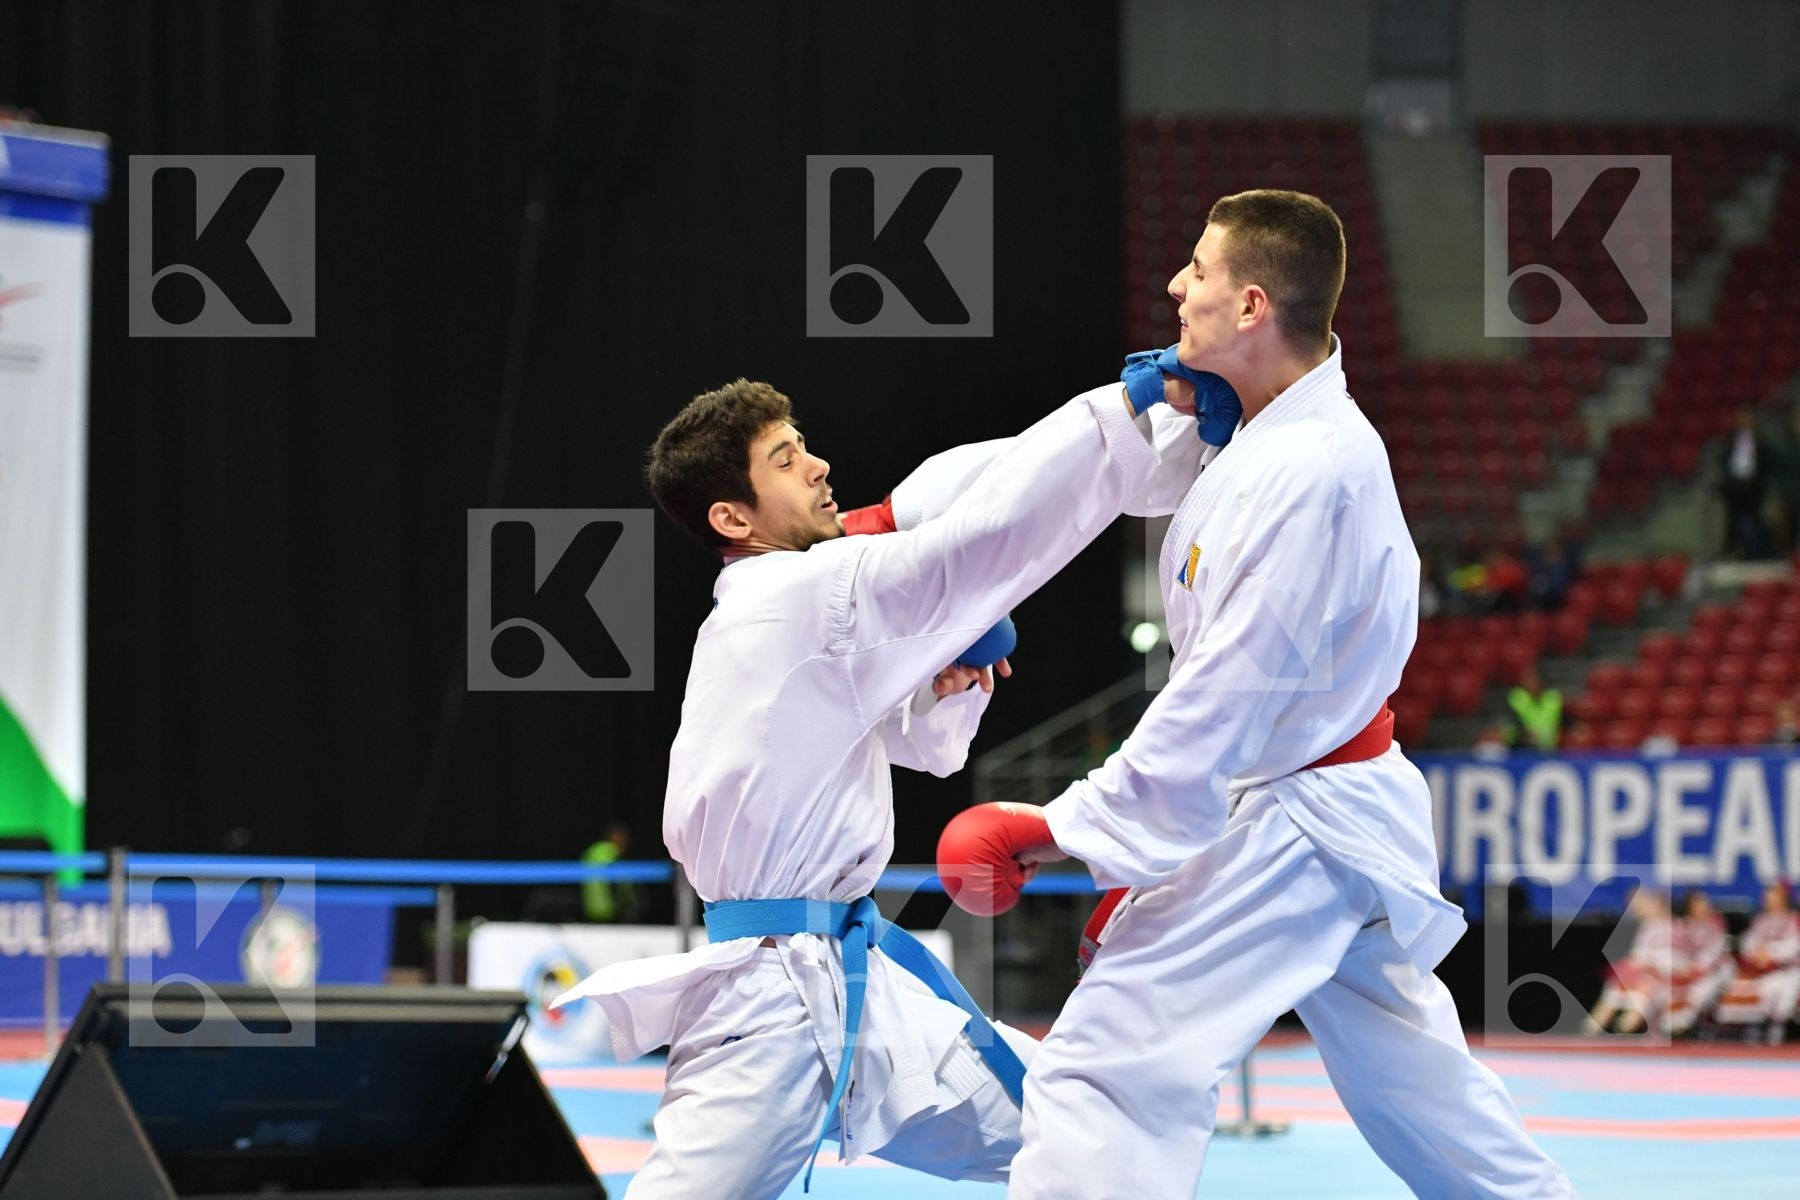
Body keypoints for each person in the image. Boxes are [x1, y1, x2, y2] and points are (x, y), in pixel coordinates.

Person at [938, 190, 1576, 1198]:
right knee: (1429, 1107)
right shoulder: (1265, 440)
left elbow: (1224, 698)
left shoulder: (1309, 469)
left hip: (1294, 813)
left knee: (1109, 1071)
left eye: (1197, 269)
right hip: (1324, 803)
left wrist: (1058, 824)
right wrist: (1189, 418)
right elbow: (1093, 479)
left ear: (1249, 307)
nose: (1174, 287)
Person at [551, 362, 1231, 1197]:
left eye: (806, 448)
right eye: (785, 459)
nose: (818, 467)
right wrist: (1128, 407)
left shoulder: (783, 607)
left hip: (856, 990)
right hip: (767, 1005)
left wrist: (941, 690)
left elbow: (926, 751)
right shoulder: (799, 593)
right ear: (733, 515)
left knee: (1092, 1127)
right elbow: (984, 538)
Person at [1713, 881, 1800, 1044]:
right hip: (1760, 969)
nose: (1769, 900)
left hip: (1788, 969)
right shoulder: (1761, 919)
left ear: (1784, 898)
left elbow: (1794, 946)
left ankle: (1777, 1027)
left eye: (1773, 896)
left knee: (1784, 987)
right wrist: (1756, 953)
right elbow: (1748, 942)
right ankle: (1752, 1027)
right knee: (1744, 987)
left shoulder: (1793, 919)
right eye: (1767, 896)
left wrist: (1770, 953)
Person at [1582, 888, 1673, 1035]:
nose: (1635, 908)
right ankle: (1589, 1030)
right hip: (1643, 974)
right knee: (1615, 986)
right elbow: (1638, 955)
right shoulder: (1648, 927)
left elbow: (1672, 960)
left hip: (1662, 979)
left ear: (1657, 902)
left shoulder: (1673, 927)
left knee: (1643, 991)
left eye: (1640, 903)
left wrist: (1647, 968)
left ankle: (1624, 1028)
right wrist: (1632, 967)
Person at [1667, 891, 1733, 1036]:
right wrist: (1684, 967)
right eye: (1699, 903)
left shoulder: (1716, 922)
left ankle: (1685, 1024)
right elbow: (1677, 950)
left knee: (1701, 991)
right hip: (1691, 970)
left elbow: (1715, 952)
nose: (1705, 906)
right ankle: (1673, 1024)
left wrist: (1697, 968)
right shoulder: (1684, 925)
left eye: (1705, 902)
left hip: (1718, 970)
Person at [1715, 407, 1772, 560]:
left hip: (1753, 486)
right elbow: (1723, 458)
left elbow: (1766, 462)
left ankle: (1753, 551)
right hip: (1734, 486)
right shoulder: (1730, 439)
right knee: (1732, 519)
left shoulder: (1760, 440)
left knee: (1752, 518)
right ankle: (1731, 549)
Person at [1505, 664, 1563, 751]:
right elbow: (1511, 722)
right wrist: (1523, 734)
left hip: (1550, 748)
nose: (1529, 684)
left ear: (1540, 682)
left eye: (1532, 680)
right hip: (1522, 746)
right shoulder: (1516, 698)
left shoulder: (1553, 698)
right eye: (1526, 680)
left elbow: (1563, 720)